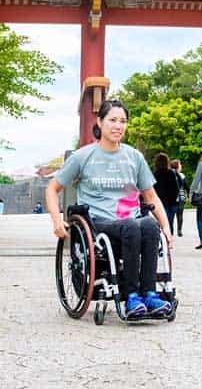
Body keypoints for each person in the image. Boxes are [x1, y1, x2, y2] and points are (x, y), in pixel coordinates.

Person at [46, 99, 173, 319]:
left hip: (130, 219)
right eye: (112, 120)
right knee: (132, 225)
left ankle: (150, 293)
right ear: (100, 121)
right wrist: (57, 220)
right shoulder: (83, 157)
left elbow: (151, 196)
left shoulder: (134, 157)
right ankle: (132, 297)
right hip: (99, 223)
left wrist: (166, 227)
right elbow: (52, 189)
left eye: (122, 121)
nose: (118, 126)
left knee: (150, 225)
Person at [152, 152, 180, 233]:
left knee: (162, 222)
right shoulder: (171, 173)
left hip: (161, 202)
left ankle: (164, 239)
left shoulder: (155, 174)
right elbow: (176, 188)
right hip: (172, 202)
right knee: (170, 222)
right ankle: (169, 238)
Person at [170, 159, 189, 237]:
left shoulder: (169, 174)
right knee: (180, 215)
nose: (181, 166)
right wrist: (188, 194)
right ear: (177, 166)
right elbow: (186, 187)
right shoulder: (182, 176)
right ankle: (179, 230)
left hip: (171, 197)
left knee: (171, 215)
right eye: (180, 164)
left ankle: (171, 231)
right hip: (181, 197)